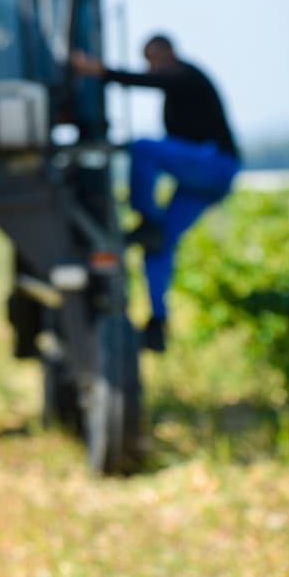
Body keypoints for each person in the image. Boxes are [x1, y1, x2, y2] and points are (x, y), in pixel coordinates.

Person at [70, 33, 240, 353]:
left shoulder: (187, 76)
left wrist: (99, 71)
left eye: (152, 62)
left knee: (143, 149)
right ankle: (157, 320)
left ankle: (145, 216)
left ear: (167, 55)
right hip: (199, 181)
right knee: (159, 243)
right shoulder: (177, 89)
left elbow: (150, 83)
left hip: (215, 164)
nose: (150, 70)